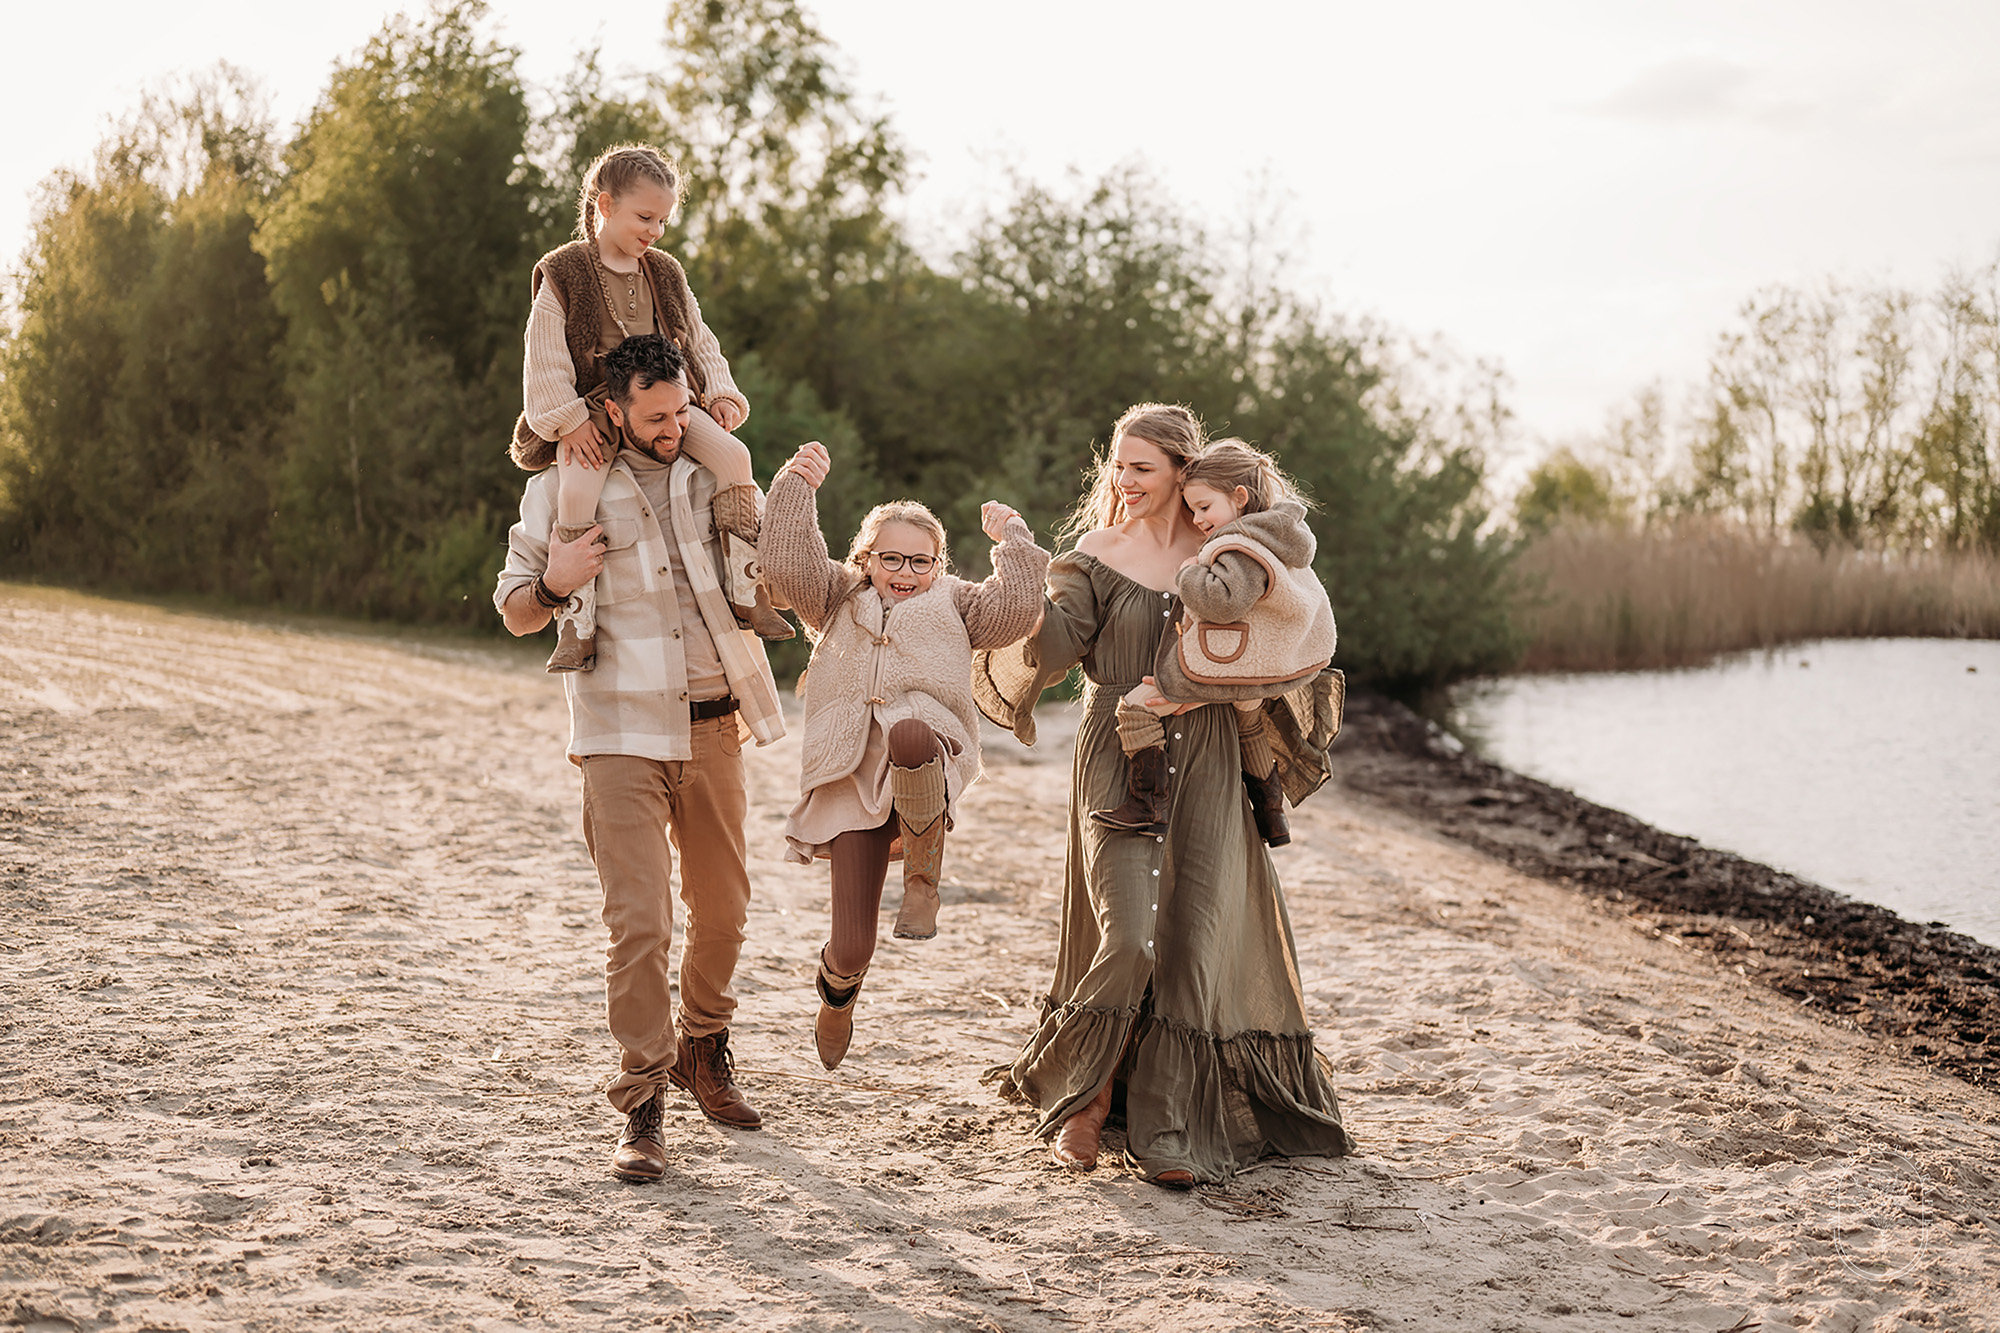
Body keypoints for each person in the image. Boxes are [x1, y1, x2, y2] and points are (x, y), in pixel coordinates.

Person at [974, 403, 1356, 1188]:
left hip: (1211, 757)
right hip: (1117, 753)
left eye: (1141, 466)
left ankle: (1170, 1122)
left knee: (1192, 939)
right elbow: (1050, 650)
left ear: (1186, 473)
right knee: (1129, 936)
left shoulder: (1233, 554)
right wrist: (1019, 567)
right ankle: (1089, 1095)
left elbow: (1289, 637)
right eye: (1117, 464)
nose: (1123, 479)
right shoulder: (1096, 552)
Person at [494, 333, 787, 1184]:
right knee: (639, 923)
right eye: (656, 415)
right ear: (611, 408)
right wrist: (553, 583)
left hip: (713, 723)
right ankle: (645, 1101)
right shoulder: (561, 488)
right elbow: (513, 606)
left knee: (725, 911)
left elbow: (777, 566)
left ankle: (705, 1045)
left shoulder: (715, 477)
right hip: (618, 732)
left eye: (682, 411)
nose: (673, 425)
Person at [758, 442, 1050, 1070]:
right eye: (890, 557)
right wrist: (795, 484)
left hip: (929, 755)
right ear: (864, 557)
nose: (906, 570)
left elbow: (1020, 610)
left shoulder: (956, 602)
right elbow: (786, 567)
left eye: (921, 560)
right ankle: (837, 997)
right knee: (853, 944)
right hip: (849, 777)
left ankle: (924, 880)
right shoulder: (837, 595)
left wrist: (1015, 539)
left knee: (911, 731)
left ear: (939, 564)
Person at [510, 142, 792, 673]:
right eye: (645, 217)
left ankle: (747, 587)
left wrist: (723, 392)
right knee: (577, 493)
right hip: (594, 407)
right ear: (605, 203)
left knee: (734, 458)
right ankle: (577, 623)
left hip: (666, 399)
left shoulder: (664, 272)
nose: (654, 231)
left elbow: (699, 339)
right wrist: (567, 422)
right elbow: (544, 356)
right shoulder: (564, 273)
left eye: (663, 220)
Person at [1094, 439, 1337, 848]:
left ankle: (1148, 803)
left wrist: (1187, 573)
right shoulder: (1279, 535)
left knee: (1136, 706)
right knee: (1249, 722)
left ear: (1239, 497)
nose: (1199, 520)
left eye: (1205, 508)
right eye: (1192, 510)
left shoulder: (1239, 544)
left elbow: (1223, 604)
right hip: (1258, 665)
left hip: (1228, 663)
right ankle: (1272, 814)